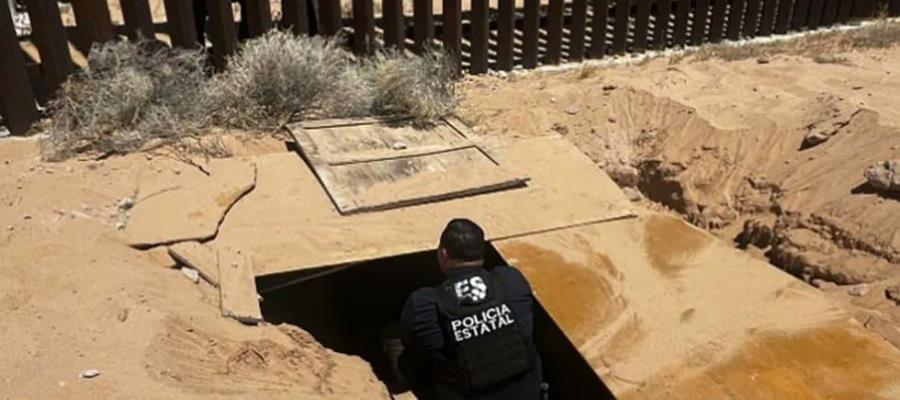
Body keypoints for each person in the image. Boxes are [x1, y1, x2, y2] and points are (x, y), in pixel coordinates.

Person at [399, 218, 543, 400]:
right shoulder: (510, 280)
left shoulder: (424, 303)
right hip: (526, 393)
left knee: (405, 357)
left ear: (443, 254)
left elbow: (415, 345)